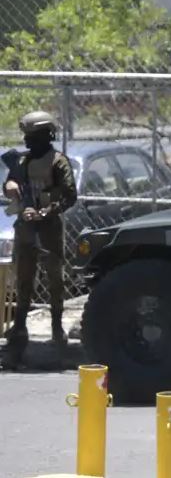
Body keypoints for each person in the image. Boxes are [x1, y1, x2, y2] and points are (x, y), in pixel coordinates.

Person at [2, 111, 77, 369]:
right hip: (25, 228)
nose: (27, 142)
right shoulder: (21, 162)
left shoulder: (58, 162)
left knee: (55, 279)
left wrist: (45, 211)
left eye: (32, 137)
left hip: (48, 229)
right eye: (26, 137)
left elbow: (69, 196)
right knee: (23, 281)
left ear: (47, 136)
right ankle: (19, 331)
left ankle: (57, 329)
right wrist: (10, 186)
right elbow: (11, 183)